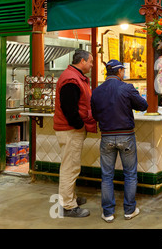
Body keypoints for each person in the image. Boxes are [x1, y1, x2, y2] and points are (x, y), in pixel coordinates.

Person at [91, 59, 148, 223]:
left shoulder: (97, 91)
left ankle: (108, 213)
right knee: (130, 174)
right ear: (119, 71)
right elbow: (143, 105)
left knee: (107, 176)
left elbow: (95, 115)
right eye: (123, 70)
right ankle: (129, 210)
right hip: (126, 136)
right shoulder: (127, 88)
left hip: (106, 137)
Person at [53, 49, 97, 217]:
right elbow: (69, 108)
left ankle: (70, 198)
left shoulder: (74, 76)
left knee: (71, 166)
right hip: (70, 130)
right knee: (70, 168)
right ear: (83, 62)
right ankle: (67, 206)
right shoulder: (71, 79)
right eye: (91, 61)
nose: (92, 65)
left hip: (71, 129)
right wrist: (79, 125)